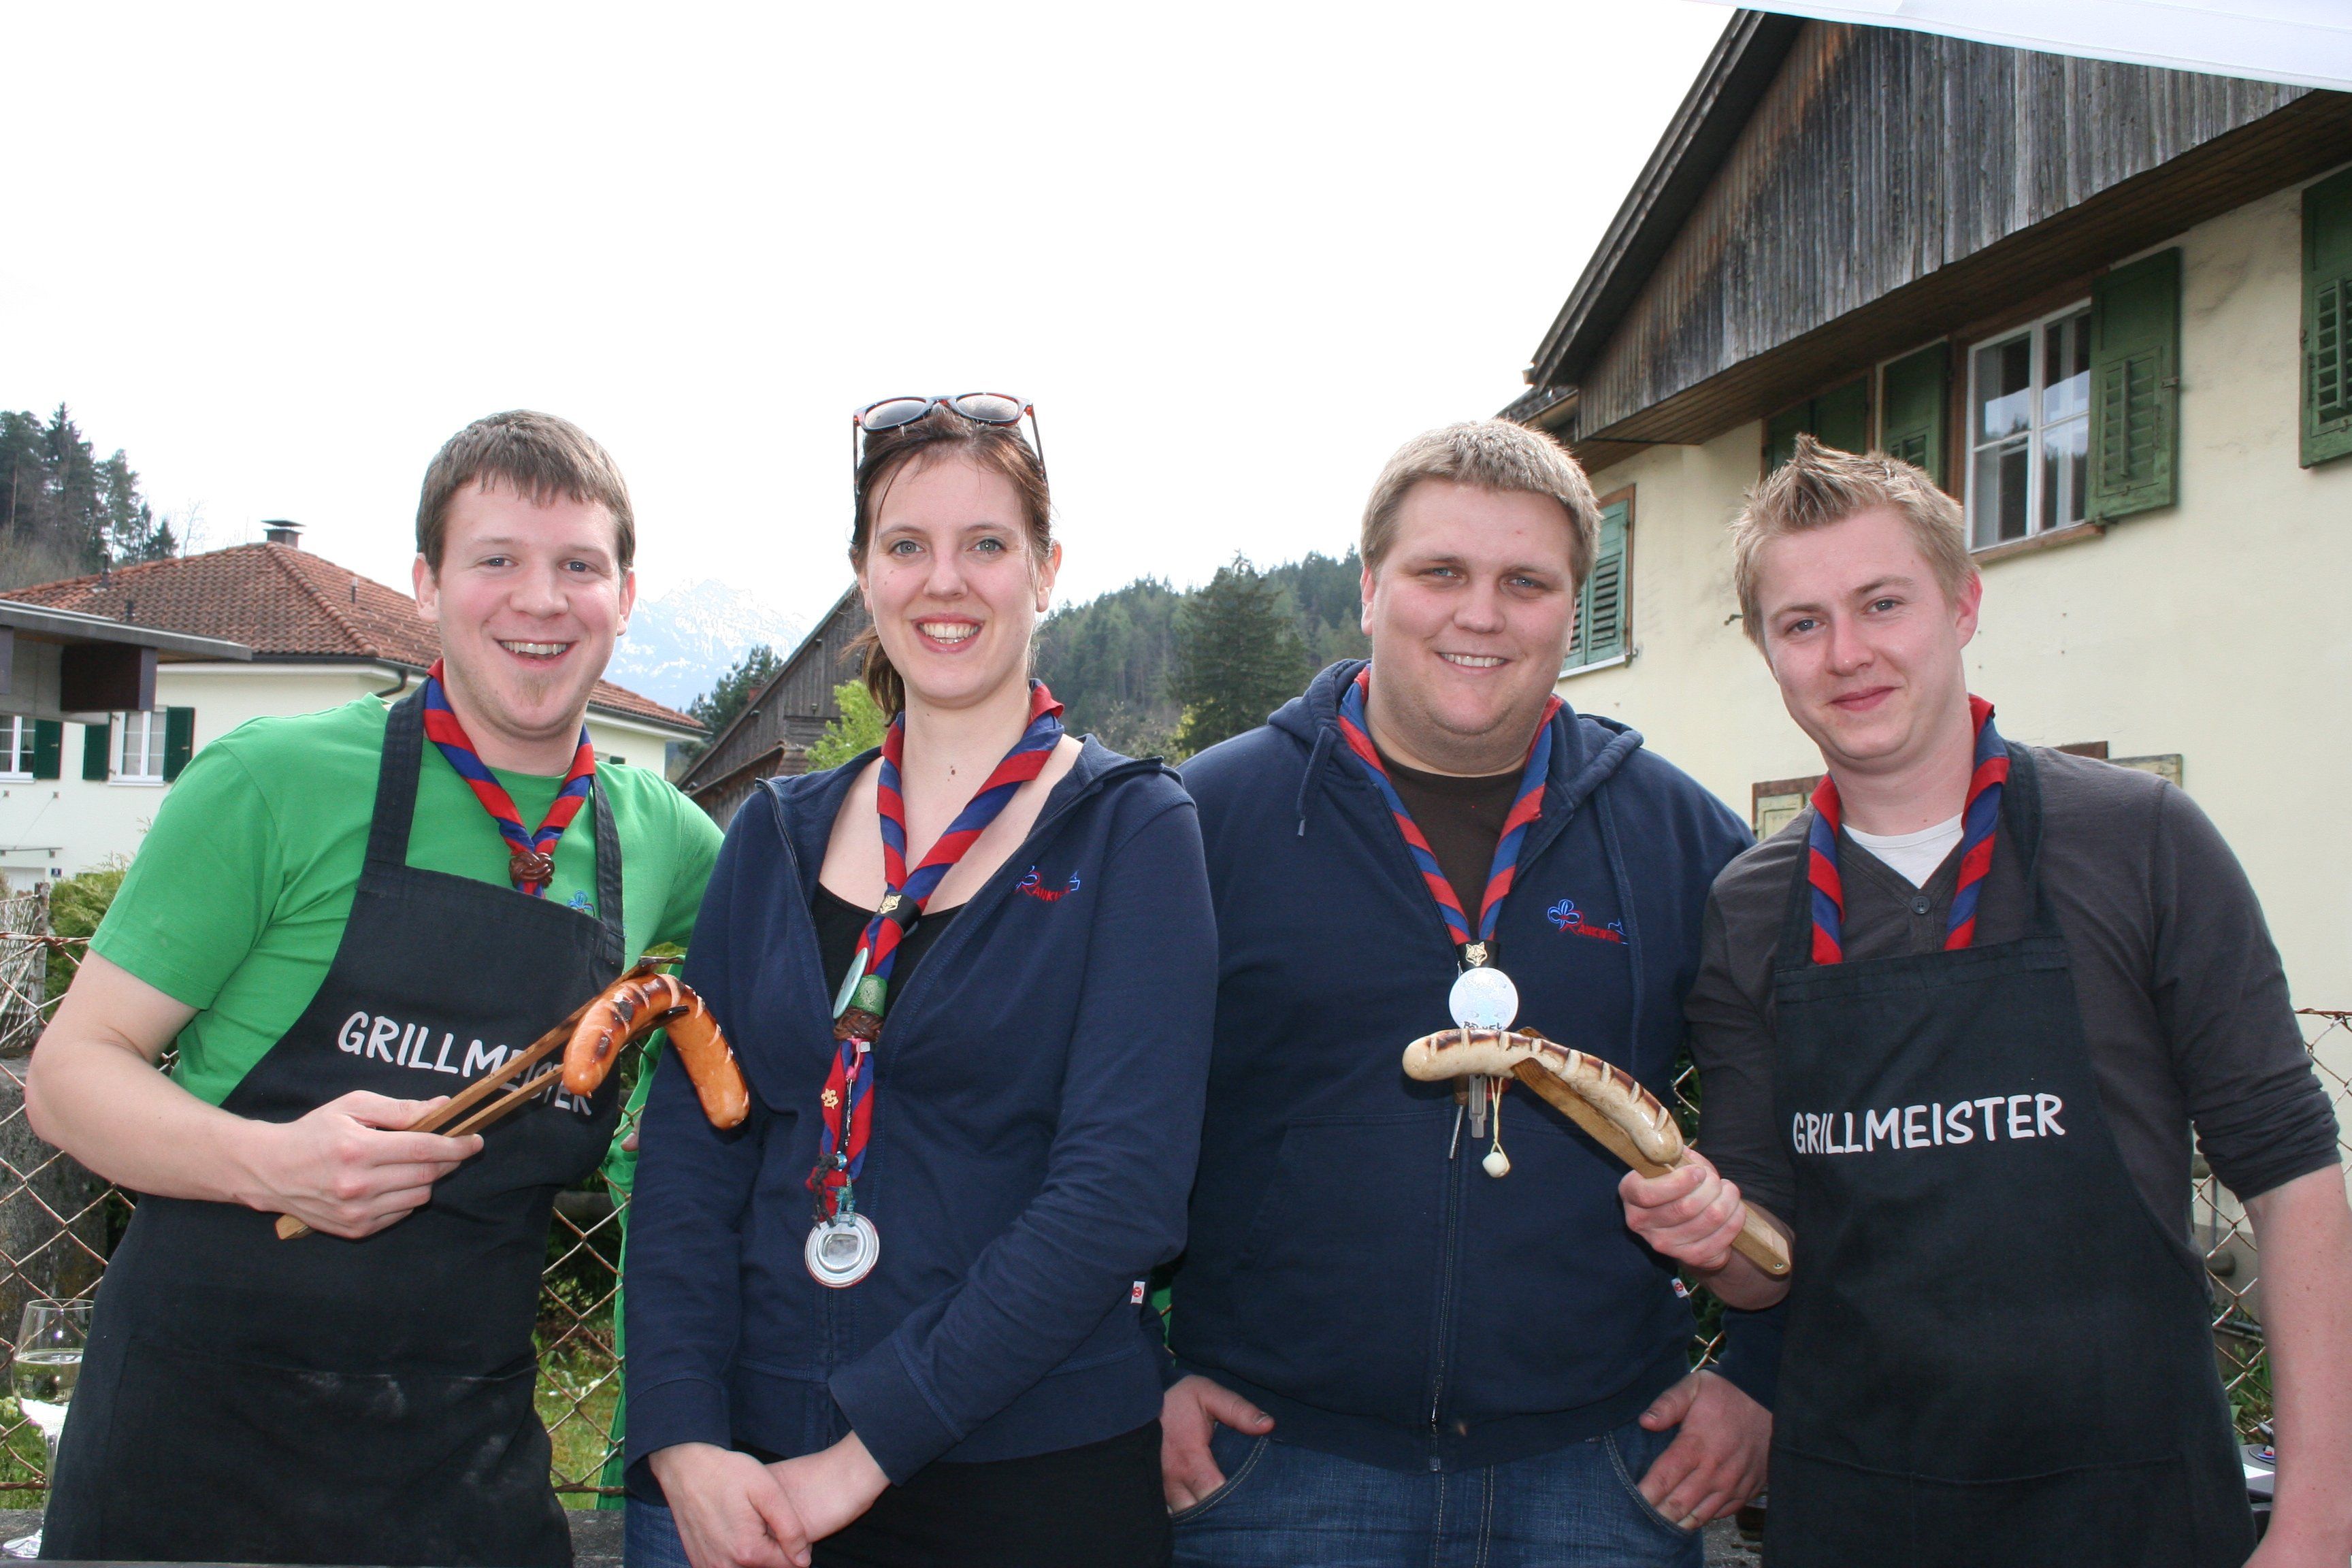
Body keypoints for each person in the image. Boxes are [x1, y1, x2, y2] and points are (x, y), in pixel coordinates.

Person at [1622, 436, 2352, 1566]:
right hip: (1859, 1509)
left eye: (1883, 604)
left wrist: (2319, 1517)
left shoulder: (2140, 839)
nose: (1848, 654)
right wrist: (1707, 1235)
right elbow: (1762, 1271)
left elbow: (2291, 1171)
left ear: (1963, 605)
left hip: (2138, 1502)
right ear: (1766, 650)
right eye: (1802, 623)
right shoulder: (1754, 907)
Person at [24, 410, 723, 1565]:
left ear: (625, 596)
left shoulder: (666, 842)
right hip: (195, 1454)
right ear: (427, 585)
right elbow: (67, 1079)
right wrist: (269, 1163)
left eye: (578, 567)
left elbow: (817, 970)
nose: (540, 601)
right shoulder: (271, 783)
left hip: (465, 1471)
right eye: (496, 559)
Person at [1160, 420, 1771, 1568]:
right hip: (1274, 1467)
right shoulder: (1203, 821)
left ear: (1572, 607)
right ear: (1369, 588)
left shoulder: (1683, 839)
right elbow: (1083, 1118)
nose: (1480, 615)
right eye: (1441, 572)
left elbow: (1795, 1126)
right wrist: (1127, 1373)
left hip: (1605, 1469)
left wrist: (1763, 1379)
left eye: (1525, 583)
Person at [623, 393, 1217, 1568]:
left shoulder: (1134, 831)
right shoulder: (774, 835)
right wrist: (683, 1435)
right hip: (749, 1473)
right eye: (907, 546)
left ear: (1046, 571)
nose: (945, 582)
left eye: (986, 544)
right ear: (865, 574)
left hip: (1029, 1470)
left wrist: (863, 1457)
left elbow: (1120, 1194)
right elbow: (694, 1156)